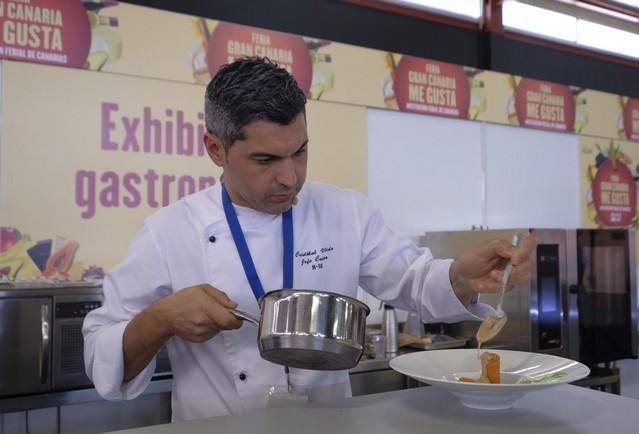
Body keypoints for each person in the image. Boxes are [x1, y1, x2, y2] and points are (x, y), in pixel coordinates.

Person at [83, 56, 535, 422]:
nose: (290, 177)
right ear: (215, 149)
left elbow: (414, 280)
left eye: (300, 152)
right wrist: (159, 320)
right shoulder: (168, 233)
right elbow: (99, 351)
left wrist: (460, 275)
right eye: (265, 159)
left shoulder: (345, 211)